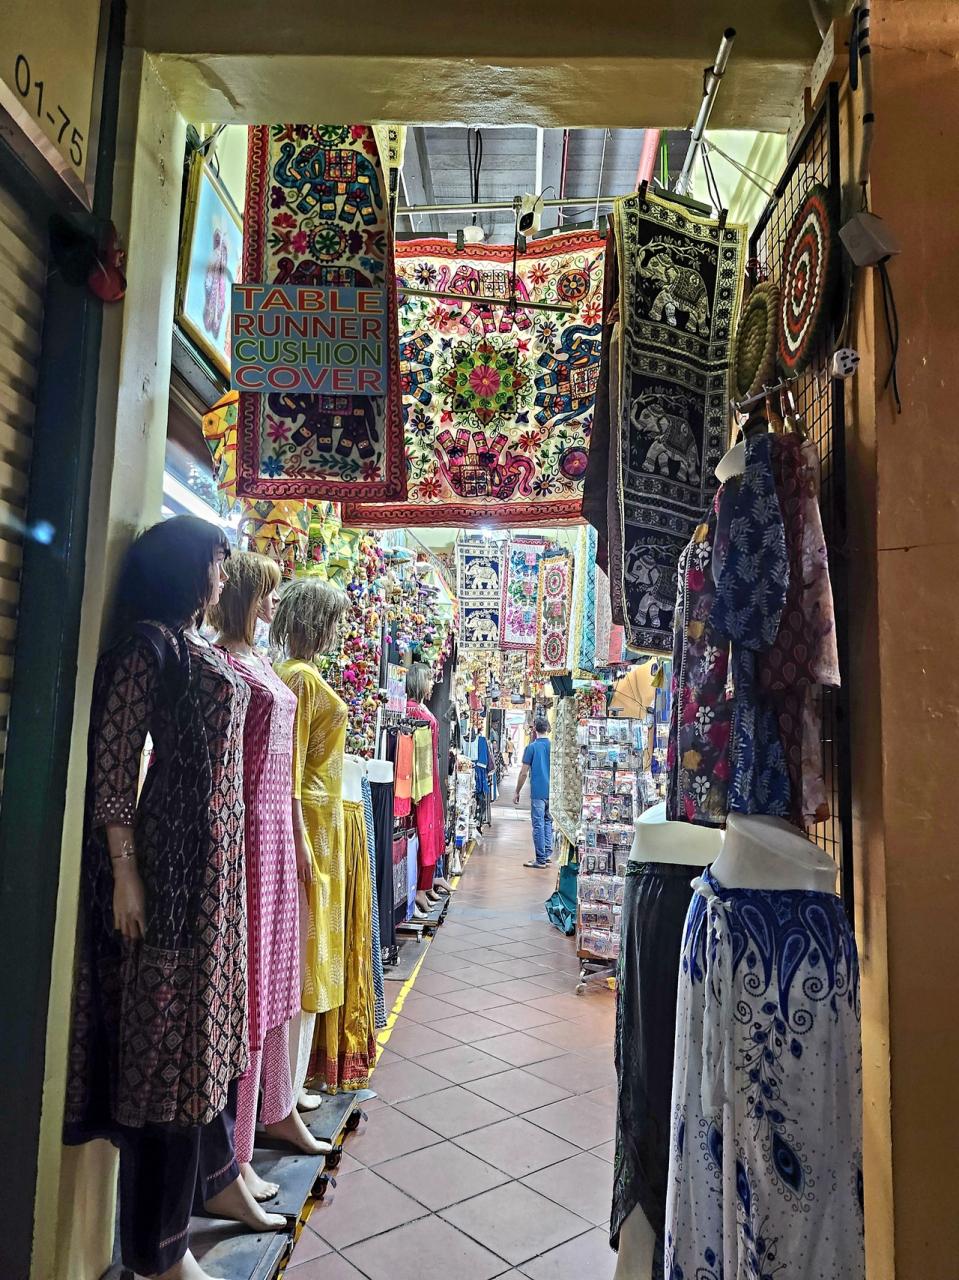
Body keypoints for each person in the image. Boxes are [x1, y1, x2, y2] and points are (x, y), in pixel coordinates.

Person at [63, 516, 284, 1280]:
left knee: (201, 1049)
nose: (223, 577)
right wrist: (126, 871)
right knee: (167, 1059)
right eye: (217, 563)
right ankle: (157, 1254)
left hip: (214, 873)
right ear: (185, 567)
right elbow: (113, 766)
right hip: (171, 870)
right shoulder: (147, 647)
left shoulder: (189, 644)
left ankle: (213, 1185)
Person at [211, 552, 329, 1202]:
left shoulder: (259, 663)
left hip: (278, 831)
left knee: (279, 977)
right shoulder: (223, 664)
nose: (273, 605)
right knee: (252, 985)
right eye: (266, 593)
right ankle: (236, 1152)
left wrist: (298, 833)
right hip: (248, 835)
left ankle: (276, 1108)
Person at [514, 715, 553, 868]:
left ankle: (540, 859)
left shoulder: (531, 748)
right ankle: (547, 854)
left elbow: (524, 772)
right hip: (552, 792)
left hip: (538, 792)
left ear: (535, 729)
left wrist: (517, 791)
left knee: (538, 824)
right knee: (548, 822)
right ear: (547, 728)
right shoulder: (553, 747)